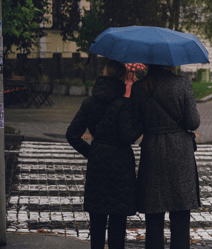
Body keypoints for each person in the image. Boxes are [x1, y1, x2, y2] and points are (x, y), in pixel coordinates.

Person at [66, 60, 143, 249]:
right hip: (121, 165)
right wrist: (140, 124)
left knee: (97, 221)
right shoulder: (124, 105)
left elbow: (72, 134)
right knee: (117, 222)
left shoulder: (90, 102)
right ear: (123, 78)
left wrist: (91, 152)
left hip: (98, 163)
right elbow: (127, 137)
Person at [130, 64, 200, 249]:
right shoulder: (182, 84)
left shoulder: (139, 87)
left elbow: (135, 122)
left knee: (153, 212)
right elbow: (193, 122)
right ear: (169, 64)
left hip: (152, 151)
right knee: (180, 211)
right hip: (180, 152)